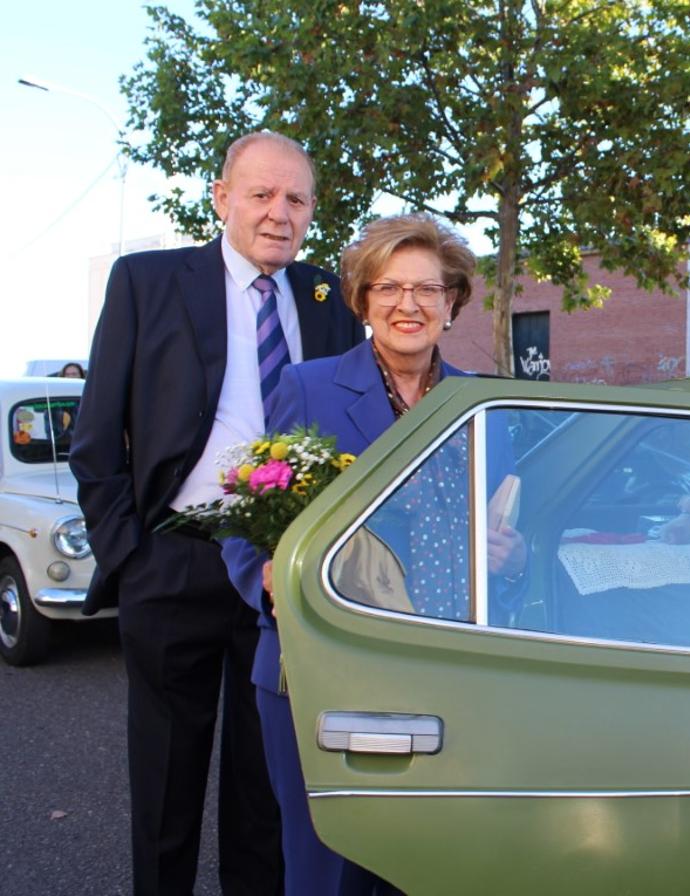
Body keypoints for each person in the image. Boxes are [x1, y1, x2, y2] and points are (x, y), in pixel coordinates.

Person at [69, 130, 365, 896]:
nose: (279, 213)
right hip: (171, 563)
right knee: (166, 791)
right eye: (262, 194)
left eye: (296, 199)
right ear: (221, 199)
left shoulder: (327, 300)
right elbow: (97, 436)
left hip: (281, 575)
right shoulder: (147, 282)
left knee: (264, 789)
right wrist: (128, 558)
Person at [222, 213, 526, 894]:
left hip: (449, 666)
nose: (407, 305)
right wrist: (263, 575)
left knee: (429, 863)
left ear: (452, 302)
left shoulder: (486, 403)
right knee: (326, 868)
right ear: (362, 300)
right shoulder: (308, 387)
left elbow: (521, 526)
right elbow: (243, 514)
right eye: (389, 288)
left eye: (427, 289)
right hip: (323, 666)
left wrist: (516, 555)